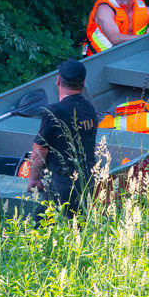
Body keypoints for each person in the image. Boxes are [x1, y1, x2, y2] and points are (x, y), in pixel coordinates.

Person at [27, 59, 98, 214]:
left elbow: (40, 150)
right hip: (88, 183)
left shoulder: (54, 111)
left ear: (58, 80)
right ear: (84, 82)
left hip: (62, 186)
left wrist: (34, 179)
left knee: (42, 228)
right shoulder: (90, 109)